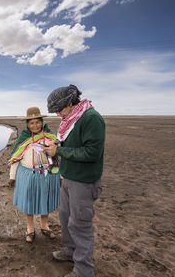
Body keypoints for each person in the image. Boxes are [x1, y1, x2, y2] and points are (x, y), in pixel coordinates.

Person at [45, 85, 105, 277]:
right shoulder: (71, 118)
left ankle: (83, 271)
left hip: (84, 182)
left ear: (70, 103)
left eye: (59, 109)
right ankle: (70, 252)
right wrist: (58, 143)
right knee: (65, 218)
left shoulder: (91, 118)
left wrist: (59, 151)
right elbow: (72, 143)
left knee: (80, 225)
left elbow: (91, 153)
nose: (57, 115)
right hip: (68, 178)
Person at [9, 106, 60, 243]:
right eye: (31, 122)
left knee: (46, 200)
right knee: (29, 202)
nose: (35, 125)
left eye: (37, 122)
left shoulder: (51, 137)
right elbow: (15, 158)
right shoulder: (23, 139)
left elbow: (57, 157)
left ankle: (44, 225)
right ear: (27, 124)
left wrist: (60, 175)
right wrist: (12, 176)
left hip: (48, 174)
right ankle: (30, 228)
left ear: (42, 122)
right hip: (28, 175)